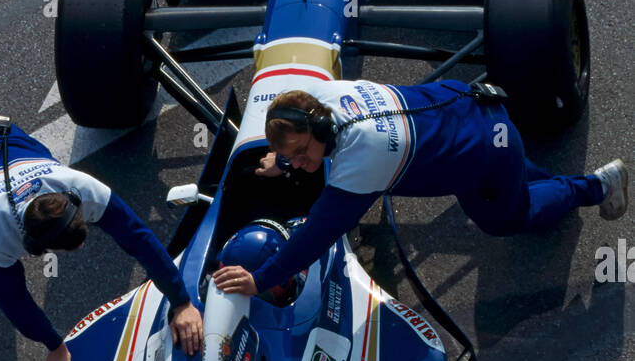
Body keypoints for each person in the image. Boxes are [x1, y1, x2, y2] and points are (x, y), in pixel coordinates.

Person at [211, 83, 628, 299]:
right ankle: (543, 181)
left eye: (302, 152)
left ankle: (597, 185)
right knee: (515, 177)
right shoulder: (321, 95)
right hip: (469, 104)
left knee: (505, 218)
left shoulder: (363, 159)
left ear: (319, 127)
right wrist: (283, 158)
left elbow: (314, 237)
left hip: (489, 151)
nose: (299, 163)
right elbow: (298, 137)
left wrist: (260, 278)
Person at [0, 118, 203, 361]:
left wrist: (180, 302)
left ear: (73, 203)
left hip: (3, 140)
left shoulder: (80, 187)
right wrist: (54, 346)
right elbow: (15, 302)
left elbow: (139, 239)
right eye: (71, 247)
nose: (81, 248)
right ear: (34, 246)